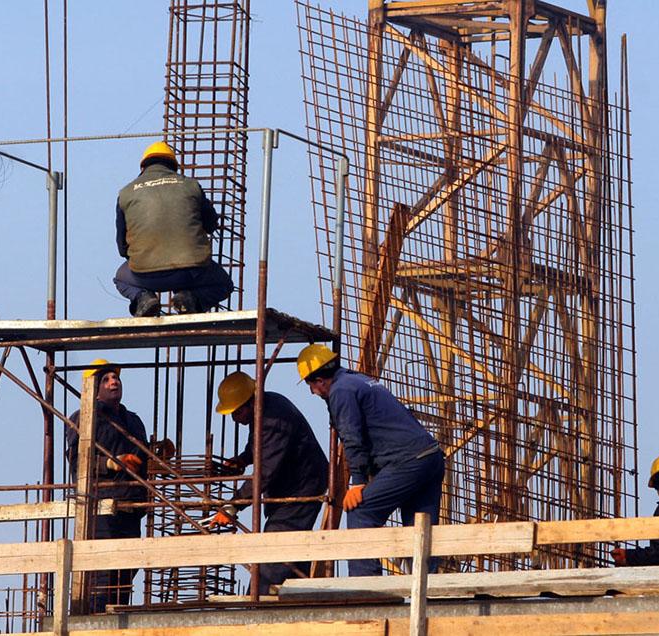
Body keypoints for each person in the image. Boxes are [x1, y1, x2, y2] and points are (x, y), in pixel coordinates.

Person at [296, 344, 444, 577]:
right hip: (430, 457)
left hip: (407, 460)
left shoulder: (341, 392)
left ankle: (367, 588)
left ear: (320, 380)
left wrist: (357, 482)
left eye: (310, 384)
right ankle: (429, 590)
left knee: (360, 510)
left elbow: (353, 439)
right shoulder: (356, 380)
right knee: (419, 528)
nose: (312, 392)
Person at [209, 371, 328, 594]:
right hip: (294, 485)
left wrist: (232, 506)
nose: (234, 419)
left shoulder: (272, 418)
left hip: (301, 488)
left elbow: (265, 472)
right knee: (293, 552)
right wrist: (244, 459)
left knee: (273, 552)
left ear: (248, 402)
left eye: (236, 412)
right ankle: (296, 600)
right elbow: (259, 446)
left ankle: (257, 606)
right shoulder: (265, 408)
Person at [112, 141, 234, 317]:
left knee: (121, 278)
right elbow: (211, 224)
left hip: (144, 275)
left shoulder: (126, 193)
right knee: (223, 284)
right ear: (173, 166)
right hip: (191, 273)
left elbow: (122, 248)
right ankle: (189, 298)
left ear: (143, 167)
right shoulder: (190, 185)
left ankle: (144, 298)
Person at [66, 359, 149, 611]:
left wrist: (157, 455)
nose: (114, 382)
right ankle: (94, 619)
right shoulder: (83, 418)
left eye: (115, 377)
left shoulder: (133, 420)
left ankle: (117, 619)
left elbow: (142, 461)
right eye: (105, 379)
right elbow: (79, 462)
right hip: (100, 509)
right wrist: (112, 464)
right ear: (94, 387)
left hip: (130, 508)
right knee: (101, 574)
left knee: (124, 575)